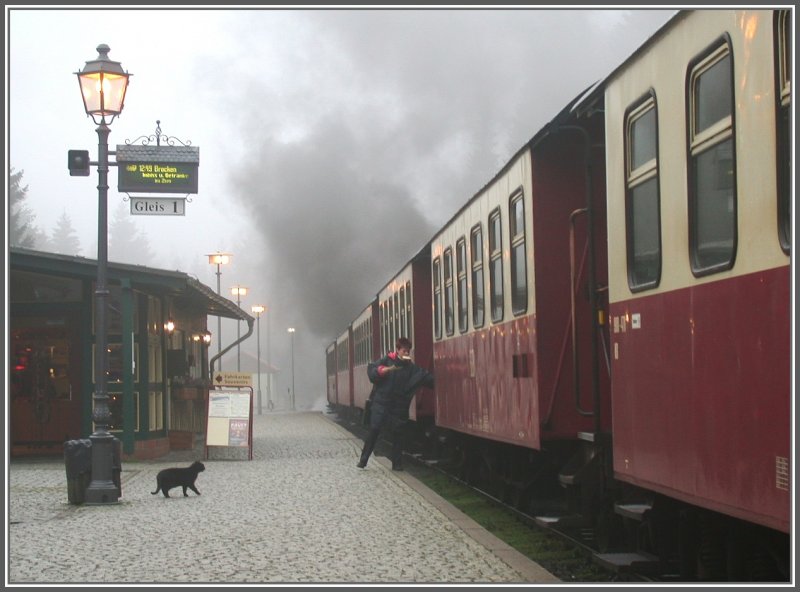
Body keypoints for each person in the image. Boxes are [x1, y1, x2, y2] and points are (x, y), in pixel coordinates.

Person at [357, 337, 434, 470]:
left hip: (398, 407)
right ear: (397, 350)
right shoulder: (386, 360)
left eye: (408, 351)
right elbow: (372, 371)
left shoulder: (411, 368)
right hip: (381, 405)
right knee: (374, 430)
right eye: (404, 350)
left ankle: (397, 465)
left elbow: (424, 377)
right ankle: (363, 460)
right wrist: (382, 371)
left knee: (398, 434)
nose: (406, 353)